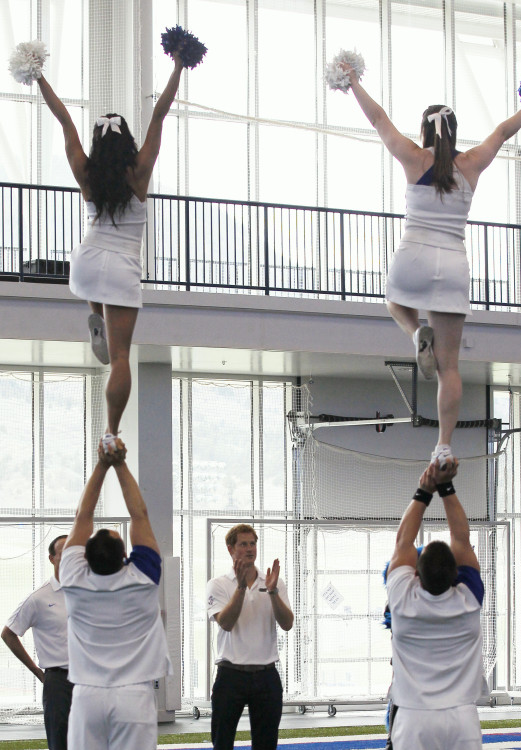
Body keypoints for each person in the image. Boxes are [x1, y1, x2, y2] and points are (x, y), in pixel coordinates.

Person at [341, 63, 521, 466]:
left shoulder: (413, 158)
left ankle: (416, 330)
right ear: (455, 131)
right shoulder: (471, 163)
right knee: (450, 366)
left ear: (425, 131)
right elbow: (504, 131)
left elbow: (378, 118)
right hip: (453, 263)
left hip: (414, 253)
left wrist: (353, 82)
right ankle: (444, 444)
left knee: (395, 303)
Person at [35, 52, 186, 452]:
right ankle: (111, 431)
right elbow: (159, 116)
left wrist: (38, 77)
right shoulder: (139, 172)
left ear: (98, 145)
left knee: (96, 291)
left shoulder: (86, 173)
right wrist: (177, 67)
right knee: (121, 358)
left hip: (85, 262)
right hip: (121, 268)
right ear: (126, 143)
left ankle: (94, 314)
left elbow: (65, 121)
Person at [59, 440, 171, 750]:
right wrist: (119, 463)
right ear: (126, 556)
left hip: (87, 696)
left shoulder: (72, 579)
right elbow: (140, 515)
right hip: (134, 697)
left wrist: (101, 465)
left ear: (85, 557)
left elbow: (83, 515)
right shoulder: (143, 578)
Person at [385, 460, 488, 750]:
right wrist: (445, 486)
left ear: (415, 574)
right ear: (457, 576)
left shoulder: (402, 599)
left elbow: (403, 542)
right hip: (462, 719)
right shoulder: (469, 600)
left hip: (414, 720)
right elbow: (461, 538)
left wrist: (425, 489)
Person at [206, 524, 294, 750]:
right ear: (230, 549)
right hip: (230, 675)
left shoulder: (274, 582)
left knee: (266, 745)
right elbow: (225, 623)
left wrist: (273, 592)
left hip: (266, 676)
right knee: (222, 743)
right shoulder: (218, 584)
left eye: (252, 543)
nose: (249, 549)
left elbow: (287, 624)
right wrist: (242, 588)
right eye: (243, 544)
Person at [2, 535, 72, 750]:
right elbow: (8, 633)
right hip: (59, 682)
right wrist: (38, 672)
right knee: (61, 741)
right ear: (52, 559)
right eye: (64, 554)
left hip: (92, 680)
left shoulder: (91, 593)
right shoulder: (39, 598)